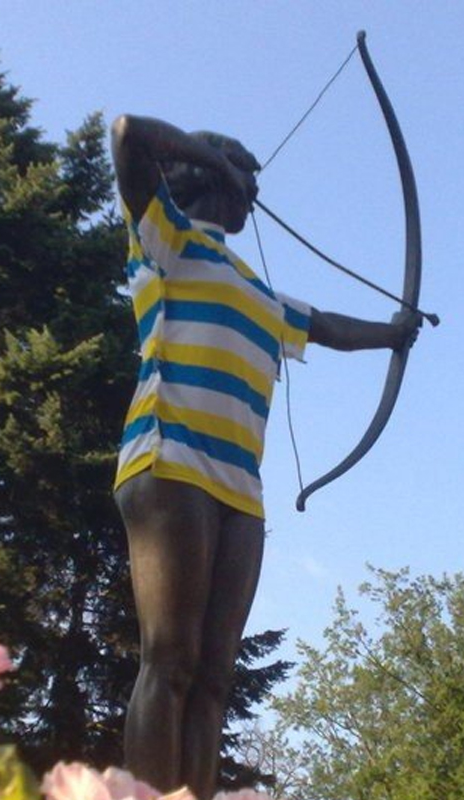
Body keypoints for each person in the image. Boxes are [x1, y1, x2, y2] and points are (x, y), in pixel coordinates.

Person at [110, 115, 422, 800]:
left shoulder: (258, 292)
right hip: (170, 461)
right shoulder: (166, 240)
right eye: (245, 178)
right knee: (171, 659)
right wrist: (217, 158)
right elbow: (129, 134)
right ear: (214, 178)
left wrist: (394, 331)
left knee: (213, 677)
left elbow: (328, 327)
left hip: (239, 490)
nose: (254, 192)